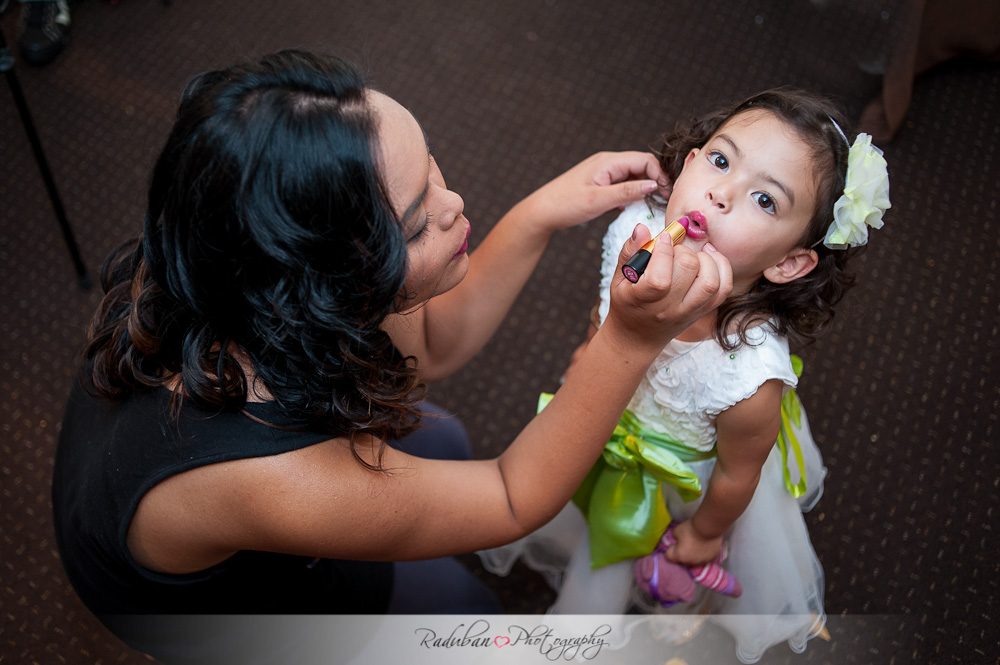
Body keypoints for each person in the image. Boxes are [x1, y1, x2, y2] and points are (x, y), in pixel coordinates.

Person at [50, 49, 733, 664]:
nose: (457, 202)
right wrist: (630, 340)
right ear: (330, 291)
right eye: (415, 221)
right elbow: (509, 494)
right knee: (471, 619)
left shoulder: (237, 244)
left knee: (447, 438)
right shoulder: (270, 472)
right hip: (258, 611)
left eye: (431, 165)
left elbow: (433, 344)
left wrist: (543, 211)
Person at [479, 88, 890, 663]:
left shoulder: (748, 375)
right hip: (599, 424)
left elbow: (737, 474)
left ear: (788, 261)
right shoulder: (637, 230)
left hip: (677, 482)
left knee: (602, 579)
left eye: (764, 201)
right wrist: (591, 347)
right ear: (691, 161)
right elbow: (605, 305)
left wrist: (705, 533)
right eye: (721, 161)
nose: (721, 194)